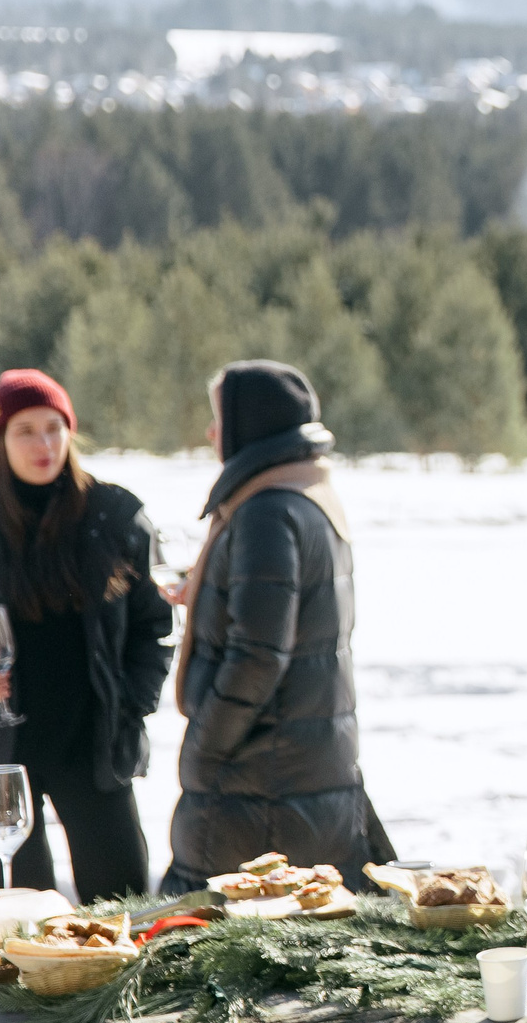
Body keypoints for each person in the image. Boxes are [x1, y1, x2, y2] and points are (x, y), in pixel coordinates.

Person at [161, 362, 392, 893]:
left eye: (219, 418)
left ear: (248, 426)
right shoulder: (303, 496)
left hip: (260, 786)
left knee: (211, 939)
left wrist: (208, 744)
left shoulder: (266, 510)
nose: (210, 433)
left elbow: (259, 656)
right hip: (303, 771)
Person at [0, 371, 172, 901]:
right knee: (22, 905)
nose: (44, 444)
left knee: (120, 901)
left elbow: (155, 626)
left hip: (93, 740)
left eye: (54, 428)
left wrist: (132, 706)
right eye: (25, 430)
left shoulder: (115, 513)